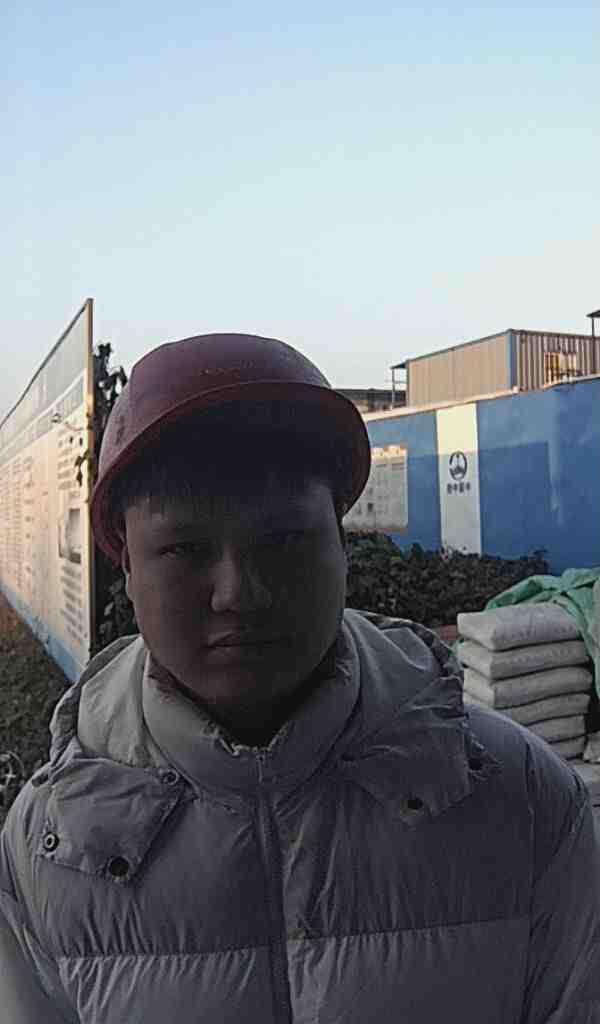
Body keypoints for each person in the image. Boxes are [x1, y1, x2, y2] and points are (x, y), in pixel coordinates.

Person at [1, 332, 599, 1023]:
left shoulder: (522, 801)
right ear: (128, 569)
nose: (239, 593)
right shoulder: (46, 850)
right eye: (185, 548)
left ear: (342, 545)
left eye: (283, 539)